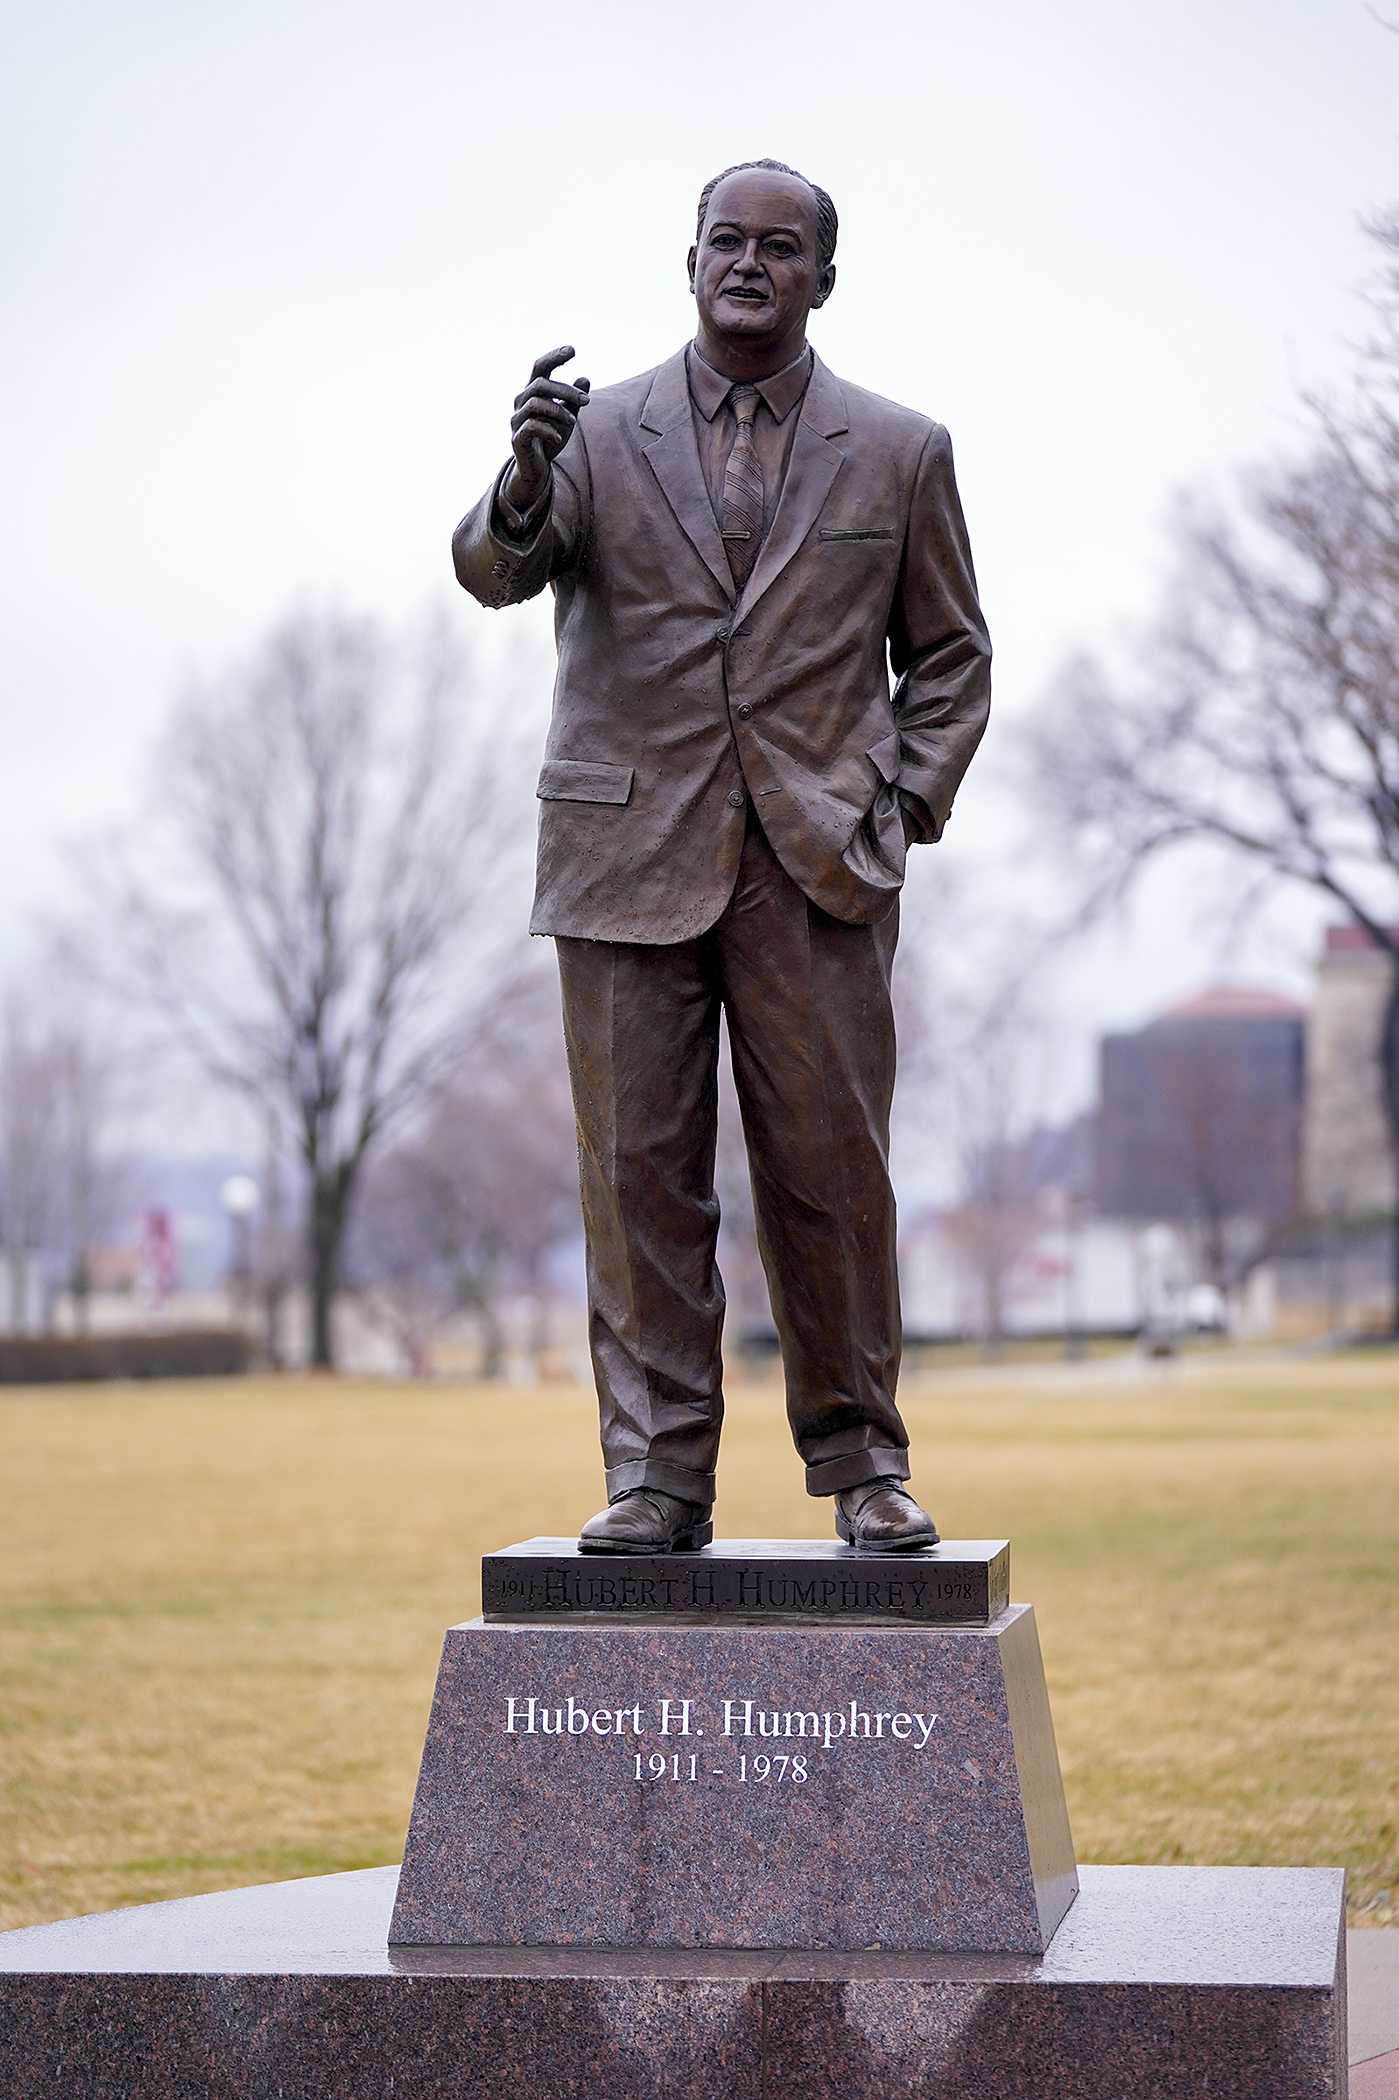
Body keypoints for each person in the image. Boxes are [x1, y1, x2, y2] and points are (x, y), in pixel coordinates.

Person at [453, 159, 991, 1554]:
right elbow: (497, 569)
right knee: (636, 1178)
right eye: (725, 242)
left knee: (828, 1174)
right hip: (626, 857)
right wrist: (518, 473)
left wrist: (900, 806)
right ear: (686, 259)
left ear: (824, 273)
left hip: (816, 868)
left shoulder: (899, 449)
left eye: (781, 246)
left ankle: (864, 1463)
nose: (749, 262)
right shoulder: (590, 433)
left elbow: (953, 660)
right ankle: (657, 1477)